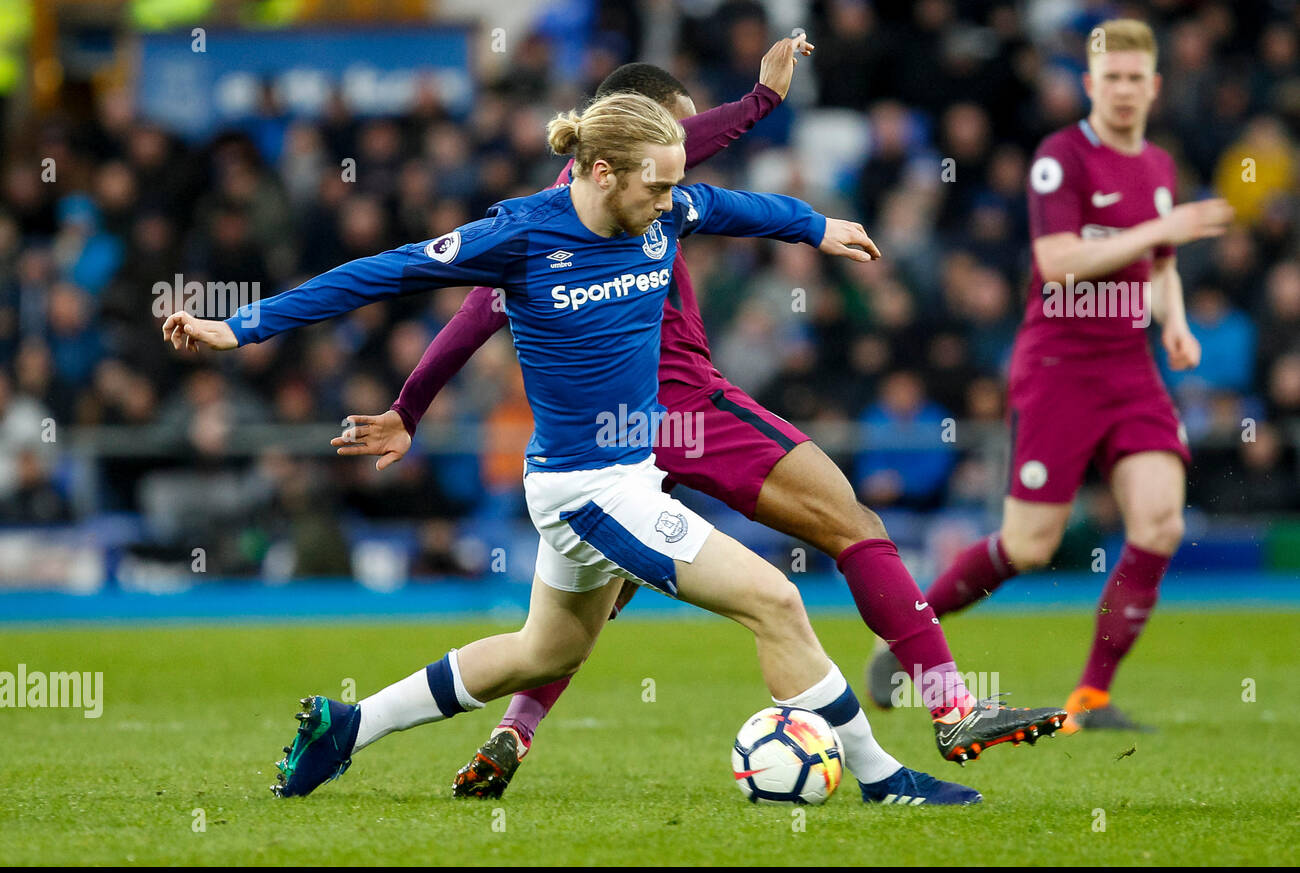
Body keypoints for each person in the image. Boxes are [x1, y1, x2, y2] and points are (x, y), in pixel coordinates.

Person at [164, 91, 983, 805]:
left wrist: (818, 227)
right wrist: (241, 327)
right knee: (775, 601)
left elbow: (735, 206)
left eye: (673, 184)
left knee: (540, 652)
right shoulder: (520, 235)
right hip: (586, 489)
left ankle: (347, 728)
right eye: (656, 185)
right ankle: (883, 779)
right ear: (599, 173)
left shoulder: (667, 207)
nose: (670, 201)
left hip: (619, 480)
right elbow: (380, 272)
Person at [336, 43, 1067, 797]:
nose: (683, 167)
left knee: (589, 607)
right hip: (684, 407)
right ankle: (950, 707)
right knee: (855, 528)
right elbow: (694, 146)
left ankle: (511, 730)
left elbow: (474, 311)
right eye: (673, 146)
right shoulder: (622, 199)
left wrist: (408, 407)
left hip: (612, 436)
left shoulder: (559, 215)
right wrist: (761, 102)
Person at [870, 19, 1234, 733]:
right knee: (1030, 546)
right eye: (1112, 78)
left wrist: (1176, 321)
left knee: (1160, 522)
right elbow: (1060, 262)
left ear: (1154, 86)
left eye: (1137, 78)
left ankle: (1090, 698)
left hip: (1130, 367)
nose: (1125, 90)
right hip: (1059, 369)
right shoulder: (1059, 160)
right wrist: (1158, 234)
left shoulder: (1158, 167)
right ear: (1091, 84)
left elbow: (1161, 267)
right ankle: (907, 634)